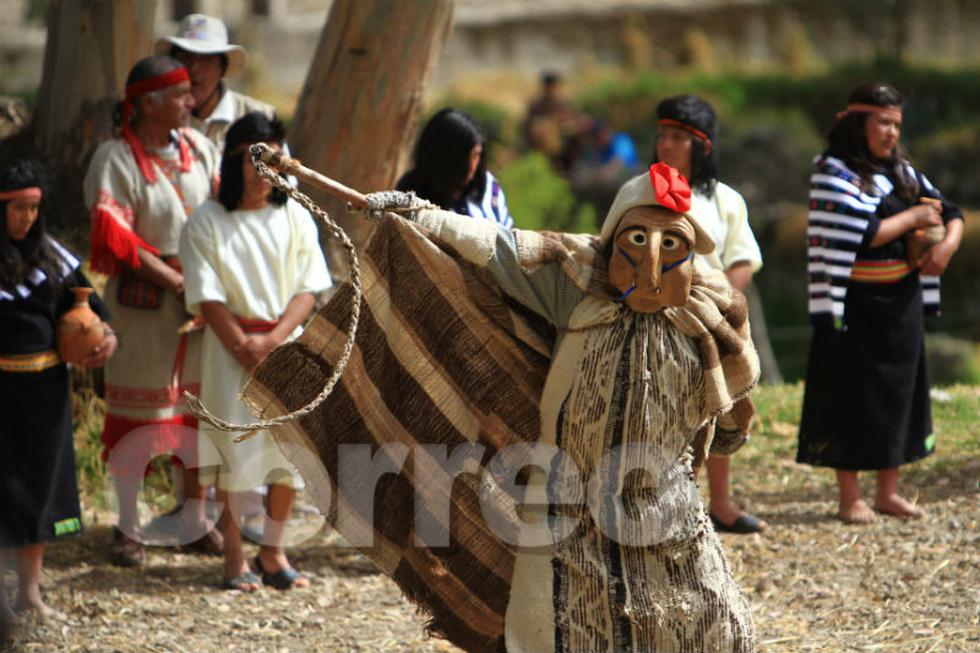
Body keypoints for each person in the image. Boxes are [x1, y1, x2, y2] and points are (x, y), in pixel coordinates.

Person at [246, 162, 760, 651]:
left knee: (709, 623)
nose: (651, 261)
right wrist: (418, 214)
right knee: (559, 627)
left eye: (669, 243)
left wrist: (731, 429)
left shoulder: (710, 306)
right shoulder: (576, 277)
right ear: (616, 239)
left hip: (660, 494)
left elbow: (736, 385)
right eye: (638, 240)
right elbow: (497, 248)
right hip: (569, 496)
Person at [797, 83, 963, 523]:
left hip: (901, 302)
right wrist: (911, 218)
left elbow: (950, 212)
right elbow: (862, 233)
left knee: (897, 393)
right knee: (848, 394)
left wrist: (944, 248)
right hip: (852, 303)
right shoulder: (831, 171)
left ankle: (888, 491)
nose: (892, 133)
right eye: (883, 122)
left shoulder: (903, 172)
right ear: (859, 122)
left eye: (897, 124)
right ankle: (849, 496)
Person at [178, 113, 331, 590]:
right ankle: (235, 557)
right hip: (228, 349)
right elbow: (206, 293)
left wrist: (272, 339)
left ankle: (274, 551)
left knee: (287, 454)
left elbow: (309, 288)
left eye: (273, 158)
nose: (264, 170)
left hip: (283, 347)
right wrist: (242, 344)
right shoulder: (206, 221)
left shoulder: (296, 215)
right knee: (234, 452)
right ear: (234, 159)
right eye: (255, 158)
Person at [83, 55, 221, 566]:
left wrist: (205, 284)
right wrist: (176, 281)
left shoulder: (202, 150)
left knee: (197, 413)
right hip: (145, 311)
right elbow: (118, 239)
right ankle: (128, 525)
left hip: (201, 302)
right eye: (180, 94)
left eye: (190, 93)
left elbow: (223, 214)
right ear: (147, 103)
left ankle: (196, 516)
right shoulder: (114, 159)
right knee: (137, 414)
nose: (190, 101)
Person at [0, 159, 116, 623]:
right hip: (0, 395)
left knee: (38, 490)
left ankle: (29, 593)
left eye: (33, 208)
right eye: (16, 208)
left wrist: (106, 339)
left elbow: (97, 311)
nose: (26, 218)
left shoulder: (53, 258)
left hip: (45, 394)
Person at [653, 94, 767, 534]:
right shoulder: (640, 190)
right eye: (663, 134)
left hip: (716, 320)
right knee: (663, 411)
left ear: (701, 144)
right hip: (656, 318)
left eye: (678, 137)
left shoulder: (726, 201)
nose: (666, 144)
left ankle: (720, 501)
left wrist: (716, 299)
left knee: (723, 406)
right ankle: (667, 503)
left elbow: (741, 259)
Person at [156, 13, 276, 151]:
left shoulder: (258, 117)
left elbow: (281, 171)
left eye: (206, 59)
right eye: (185, 57)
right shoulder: (158, 116)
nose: (194, 69)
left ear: (222, 68)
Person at [397, 107, 514, 227]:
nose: (473, 166)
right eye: (466, 158)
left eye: (476, 155)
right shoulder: (410, 198)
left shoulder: (488, 187)